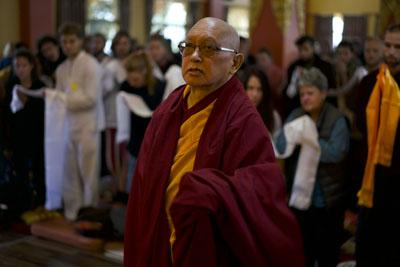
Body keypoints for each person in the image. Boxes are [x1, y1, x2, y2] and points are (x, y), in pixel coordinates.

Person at [124, 17, 304, 267]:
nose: (195, 56)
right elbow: (144, 184)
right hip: (161, 237)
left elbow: (262, 192)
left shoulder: (243, 119)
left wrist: (210, 190)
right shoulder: (169, 109)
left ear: (235, 62)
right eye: (188, 47)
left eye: (209, 48)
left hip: (207, 247)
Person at [275, 67, 350, 267]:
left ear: (323, 94)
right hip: (299, 198)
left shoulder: (337, 119)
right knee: (302, 252)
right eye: (302, 94)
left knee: (327, 254)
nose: (305, 99)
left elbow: (337, 152)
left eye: (310, 93)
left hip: (327, 199)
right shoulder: (296, 115)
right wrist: (294, 136)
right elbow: (281, 144)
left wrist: (309, 141)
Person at [354, 24, 400, 267]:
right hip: (372, 175)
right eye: (389, 45)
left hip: (398, 176)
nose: (392, 52)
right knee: (369, 244)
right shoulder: (371, 82)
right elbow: (361, 124)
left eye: (398, 47)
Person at [54, 23, 103, 220]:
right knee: (70, 170)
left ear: (80, 41)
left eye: (72, 41)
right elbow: (57, 97)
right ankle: (73, 211)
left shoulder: (91, 64)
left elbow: (91, 98)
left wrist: (63, 100)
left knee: (88, 172)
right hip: (67, 125)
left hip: (88, 125)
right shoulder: (61, 68)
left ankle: (90, 211)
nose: (68, 45)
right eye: (64, 42)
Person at [284, 35, 336, 119]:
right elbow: (289, 93)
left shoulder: (325, 66)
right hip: (299, 106)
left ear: (313, 48)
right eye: (300, 50)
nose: (303, 53)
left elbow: (330, 88)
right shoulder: (294, 67)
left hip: (322, 107)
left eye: (306, 49)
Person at [243, 67, 281, 137]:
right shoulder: (236, 114)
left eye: (259, 89)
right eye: (251, 88)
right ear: (244, 90)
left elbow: (276, 145)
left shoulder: (273, 116)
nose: (255, 94)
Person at [148, 33, 184, 99]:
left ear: (165, 49)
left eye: (157, 48)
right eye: (151, 48)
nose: (154, 52)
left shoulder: (176, 67)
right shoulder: (151, 68)